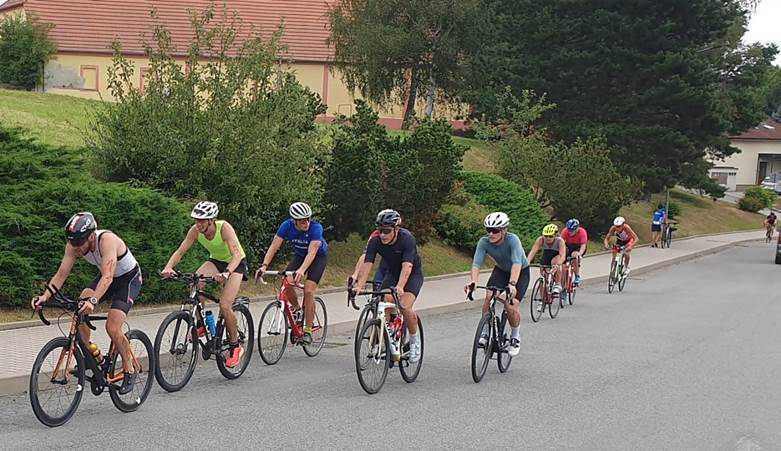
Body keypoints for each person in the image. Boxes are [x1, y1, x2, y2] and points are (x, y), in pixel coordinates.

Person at [32, 212, 142, 394]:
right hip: (108, 277)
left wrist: (93, 301)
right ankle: (89, 356)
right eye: (72, 243)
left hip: (128, 279)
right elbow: (61, 274)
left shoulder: (107, 240)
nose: (75, 248)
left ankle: (129, 369)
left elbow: (107, 277)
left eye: (79, 243)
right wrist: (44, 297)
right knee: (80, 308)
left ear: (91, 235)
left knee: (112, 327)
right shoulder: (73, 245)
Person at [161, 201, 249, 368]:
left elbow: (236, 254)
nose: (198, 224)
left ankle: (235, 346)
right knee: (195, 284)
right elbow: (181, 251)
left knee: (224, 304)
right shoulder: (195, 230)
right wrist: (169, 267)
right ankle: (200, 324)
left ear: (211, 220)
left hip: (236, 264)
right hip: (216, 261)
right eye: (196, 220)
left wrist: (226, 273)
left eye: (202, 220)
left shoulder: (224, 228)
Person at [352, 209, 423, 363]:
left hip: (411, 275)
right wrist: (360, 285)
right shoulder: (376, 240)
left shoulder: (407, 239)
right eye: (380, 231)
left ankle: (414, 341)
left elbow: (407, 267)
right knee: (384, 300)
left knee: (404, 306)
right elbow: (367, 263)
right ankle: (390, 335)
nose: (382, 235)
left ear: (396, 229)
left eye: (386, 231)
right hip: (392, 272)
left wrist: (400, 286)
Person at [257, 202, 328, 346]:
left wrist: (302, 270)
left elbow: (312, 252)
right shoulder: (286, 226)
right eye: (302, 221)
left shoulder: (316, 228)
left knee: (308, 291)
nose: (306, 223)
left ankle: (308, 330)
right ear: (294, 221)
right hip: (300, 255)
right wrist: (264, 266)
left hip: (317, 257)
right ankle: (297, 310)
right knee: (287, 282)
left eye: (308, 219)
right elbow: (274, 246)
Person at [463, 212, 530, 357]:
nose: (491, 234)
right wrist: (473, 281)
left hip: (520, 272)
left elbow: (517, 263)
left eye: (495, 231)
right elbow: (476, 263)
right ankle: (485, 333)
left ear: (504, 230)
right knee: (489, 296)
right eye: (488, 230)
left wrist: (512, 284)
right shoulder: (484, 242)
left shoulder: (513, 240)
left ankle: (515, 336)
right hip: (500, 270)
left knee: (510, 305)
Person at [526, 224, 567, 311]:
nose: (547, 238)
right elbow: (533, 251)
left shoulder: (560, 241)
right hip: (547, 254)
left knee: (555, 263)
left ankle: (558, 284)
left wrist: (558, 264)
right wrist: (527, 262)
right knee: (543, 276)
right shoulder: (541, 240)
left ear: (555, 235)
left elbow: (562, 255)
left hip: (557, 255)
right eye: (546, 236)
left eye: (550, 236)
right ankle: (542, 300)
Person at [560, 218, 587, 285]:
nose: (570, 232)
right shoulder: (565, 231)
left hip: (578, 247)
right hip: (569, 245)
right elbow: (560, 243)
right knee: (564, 265)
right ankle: (563, 284)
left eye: (572, 230)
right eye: (569, 230)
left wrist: (579, 254)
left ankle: (577, 275)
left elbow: (583, 246)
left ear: (577, 228)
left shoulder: (582, 232)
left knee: (574, 255)